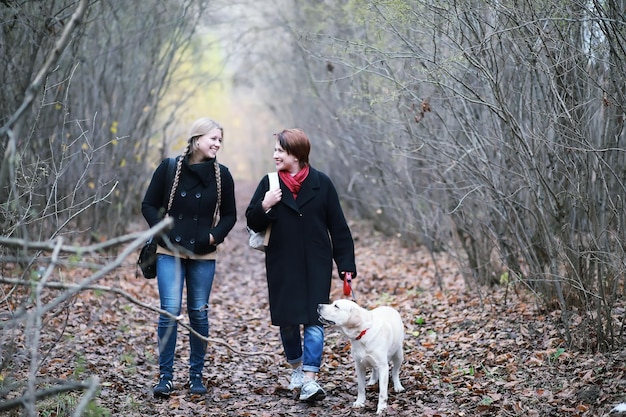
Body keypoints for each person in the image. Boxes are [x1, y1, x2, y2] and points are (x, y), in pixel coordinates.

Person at [245, 128, 357, 402]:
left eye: (280, 151)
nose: (275, 155)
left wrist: (346, 264)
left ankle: (309, 378)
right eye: (275, 151)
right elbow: (251, 221)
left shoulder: (322, 183)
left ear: (296, 154)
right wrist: (265, 205)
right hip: (282, 263)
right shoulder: (269, 184)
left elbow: (338, 227)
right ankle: (296, 367)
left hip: (316, 263)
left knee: (314, 319)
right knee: (288, 322)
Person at [141, 118, 236, 398]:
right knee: (170, 309)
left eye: (220, 140)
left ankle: (196, 376)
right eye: (213, 138)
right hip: (169, 249)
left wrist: (213, 236)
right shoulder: (169, 168)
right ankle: (165, 377)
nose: (217, 144)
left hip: (203, 253)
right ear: (196, 139)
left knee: (198, 312)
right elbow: (148, 204)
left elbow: (230, 215)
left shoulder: (223, 175)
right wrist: (162, 229)